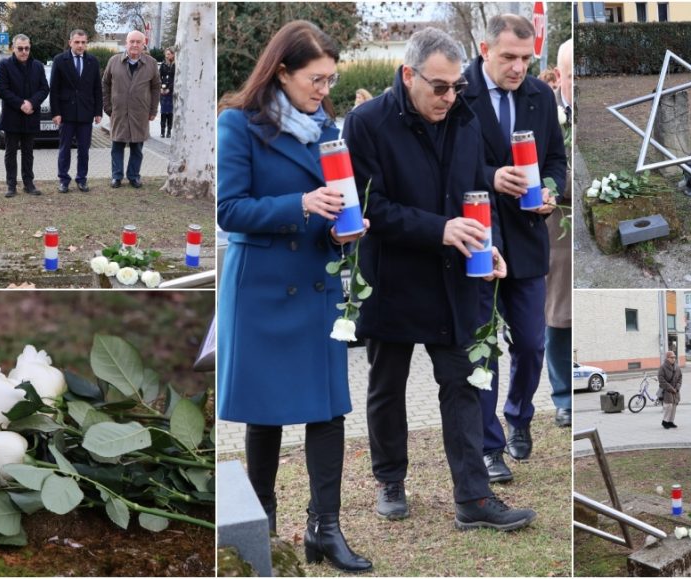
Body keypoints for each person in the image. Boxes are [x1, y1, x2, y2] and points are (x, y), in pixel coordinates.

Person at [342, 26, 536, 532]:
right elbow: (369, 207)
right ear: (409, 76)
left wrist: (486, 244)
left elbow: (476, 193)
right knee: (387, 387)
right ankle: (390, 479)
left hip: (455, 282)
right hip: (392, 281)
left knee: (463, 387)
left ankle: (473, 499)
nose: (450, 97)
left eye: (457, 88)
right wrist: (440, 229)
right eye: (440, 87)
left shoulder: (464, 117)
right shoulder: (366, 123)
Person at [215, 21, 371, 573]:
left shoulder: (328, 127)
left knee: (329, 411)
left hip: (319, 284)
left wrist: (344, 228)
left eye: (331, 79)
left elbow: (339, 205)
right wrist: (301, 205)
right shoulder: (237, 124)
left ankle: (325, 529)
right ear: (281, 71)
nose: (324, 90)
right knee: (267, 415)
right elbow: (228, 210)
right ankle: (264, 525)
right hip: (262, 290)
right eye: (316, 78)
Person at [462, 14, 567, 483]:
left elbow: (557, 163)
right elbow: (445, 165)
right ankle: (490, 448)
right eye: (508, 57)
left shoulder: (541, 97)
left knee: (530, 341)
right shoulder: (458, 92)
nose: (518, 67)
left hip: (527, 237)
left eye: (527, 58)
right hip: (479, 237)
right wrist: (489, 177)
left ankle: (519, 416)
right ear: (485, 50)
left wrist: (549, 191)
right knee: (483, 348)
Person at [546, 38, 573, 429]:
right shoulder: (545, 113)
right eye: (571, 75)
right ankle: (562, 396)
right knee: (558, 316)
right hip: (558, 230)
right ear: (558, 77)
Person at [102, 30, 160, 189]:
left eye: (138, 42)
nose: (134, 45)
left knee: (137, 147)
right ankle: (116, 176)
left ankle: (134, 176)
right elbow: (105, 84)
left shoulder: (151, 63)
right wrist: (107, 107)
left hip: (140, 112)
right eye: (131, 41)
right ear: (126, 43)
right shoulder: (114, 61)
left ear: (143, 44)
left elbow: (155, 88)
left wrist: (153, 110)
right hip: (118, 112)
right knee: (117, 146)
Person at [0, 34, 49, 197]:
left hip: (31, 115)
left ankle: (28, 183)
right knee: (10, 152)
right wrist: (20, 104)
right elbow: (2, 89)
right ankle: (11, 185)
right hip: (12, 115)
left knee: (28, 152)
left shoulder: (38, 66)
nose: (24, 51)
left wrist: (31, 103)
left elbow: (44, 88)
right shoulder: (4, 65)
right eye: (20, 48)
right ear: (13, 48)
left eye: (27, 48)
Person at [50, 29, 102, 193]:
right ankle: (64, 180)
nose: (80, 45)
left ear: (86, 43)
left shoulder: (93, 61)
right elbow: (54, 89)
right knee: (65, 148)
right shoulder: (60, 60)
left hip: (86, 112)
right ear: (70, 42)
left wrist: (98, 112)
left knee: (84, 149)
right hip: (66, 113)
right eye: (77, 42)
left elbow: (97, 89)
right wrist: (56, 113)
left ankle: (82, 179)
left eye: (83, 42)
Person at [659, 350, 682, 429]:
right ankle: (665, 421)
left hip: (676, 390)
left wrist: (677, 387)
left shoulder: (677, 367)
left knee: (674, 406)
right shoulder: (662, 367)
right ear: (667, 358)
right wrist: (671, 388)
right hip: (667, 390)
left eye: (674, 357)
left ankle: (671, 421)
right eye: (672, 357)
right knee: (668, 406)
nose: (673, 359)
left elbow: (680, 378)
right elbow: (661, 380)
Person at [159, 48, 175, 138]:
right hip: (163, 91)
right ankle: (162, 131)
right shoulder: (163, 65)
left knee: (170, 112)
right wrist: (161, 87)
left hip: (171, 92)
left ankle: (169, 131)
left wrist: (170, 88)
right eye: (166, 54)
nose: (167, 56)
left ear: (173, 55)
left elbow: (175, 78)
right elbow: (159, 76)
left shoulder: (175, 65)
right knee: (163, 112)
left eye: (169, 54)